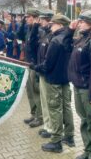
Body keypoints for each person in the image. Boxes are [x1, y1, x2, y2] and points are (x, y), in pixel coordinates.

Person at [31, 14, 75, 153]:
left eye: (53, 24)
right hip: (65, 79)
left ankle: (56, 141)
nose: (51, 26)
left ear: (60, 25)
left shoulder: (56, 40)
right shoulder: (68, 38)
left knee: (55, 109)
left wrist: (35, 67)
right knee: (66, 108)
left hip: (54, 80)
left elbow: (47, 65)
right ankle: (69, 136)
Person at [68, 10, 91, 159]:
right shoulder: (81, 39)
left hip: (88, 90)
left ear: (90, 24)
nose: (79, 24)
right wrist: (70, 30)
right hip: (78, 87)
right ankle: (89, 151)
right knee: (85, 121)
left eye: (82, 21)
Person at [19, 8, 43, 128]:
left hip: (34, 65)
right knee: (29, 91)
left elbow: (34, 45)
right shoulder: (28, 29)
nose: (26, 19)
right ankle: (33, 113)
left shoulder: (38, 30)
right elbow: (19, 36)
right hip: (28, 63)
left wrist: (35, 26)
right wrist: (23, 23)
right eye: (26, 17)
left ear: (34, 18)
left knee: (35, 91)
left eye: (28, 17)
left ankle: (40, 116)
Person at [36, 9, 54, 138]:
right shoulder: (44, 34)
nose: (40, 21)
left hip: (47, 73)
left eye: (42, 19)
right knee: (44, 101)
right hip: (42, 71)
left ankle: (51, 128)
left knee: (49, 102)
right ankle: (47, 125)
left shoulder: (52, 36)